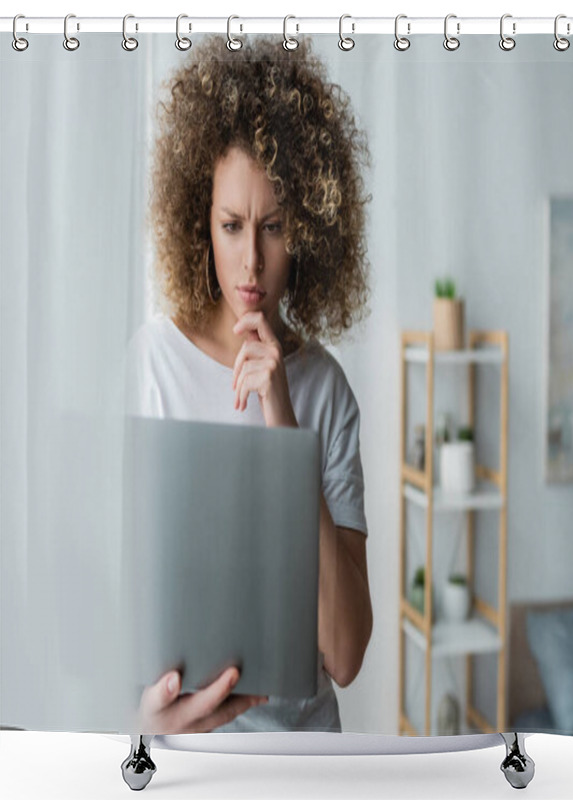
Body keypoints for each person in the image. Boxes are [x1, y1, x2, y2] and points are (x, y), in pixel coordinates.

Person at [125, 35, 373, 734]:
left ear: (311, 230)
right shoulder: (153, 364)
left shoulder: (324, 388)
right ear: (199, 222)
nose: (251, 262)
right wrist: (144, 720)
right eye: (232, 226)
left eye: (274, 227)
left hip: (307, 760)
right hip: (187, 759)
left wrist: (282, 417)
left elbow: (347, 654)